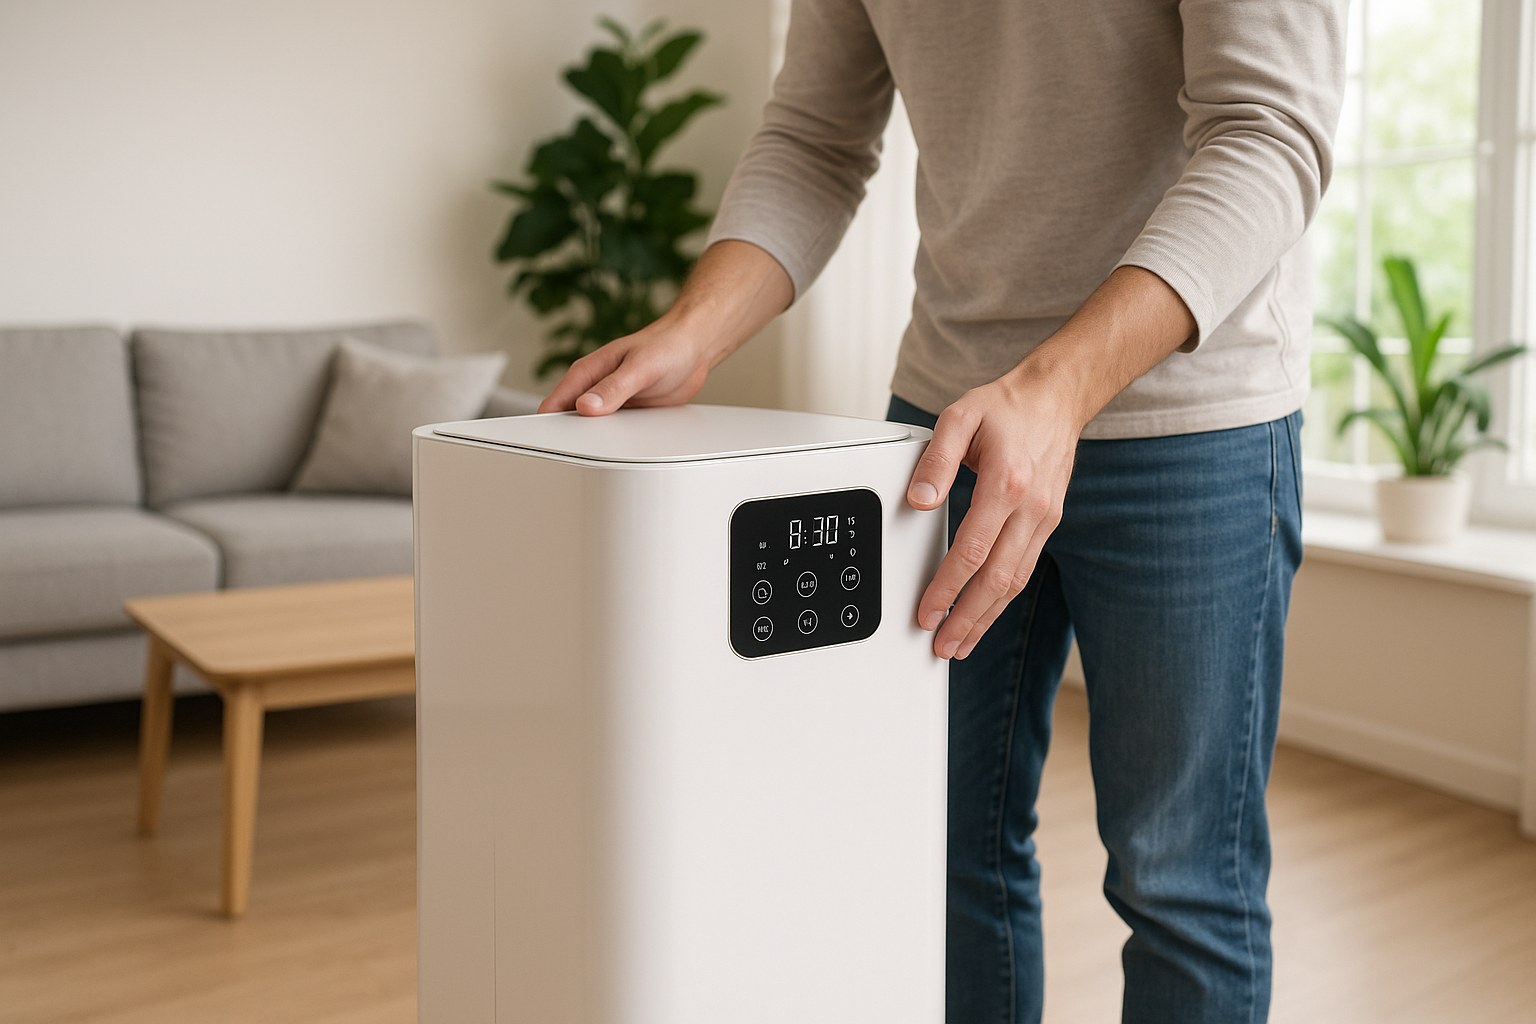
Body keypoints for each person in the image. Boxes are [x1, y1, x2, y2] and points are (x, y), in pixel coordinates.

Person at [540, 1, 1346, 1020]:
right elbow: (815, 138)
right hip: (948, 419)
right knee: (938, 847)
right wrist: (697, 330)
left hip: (1190, 428)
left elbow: (1268, 133)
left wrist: (1056, 389)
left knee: (1180, 879)